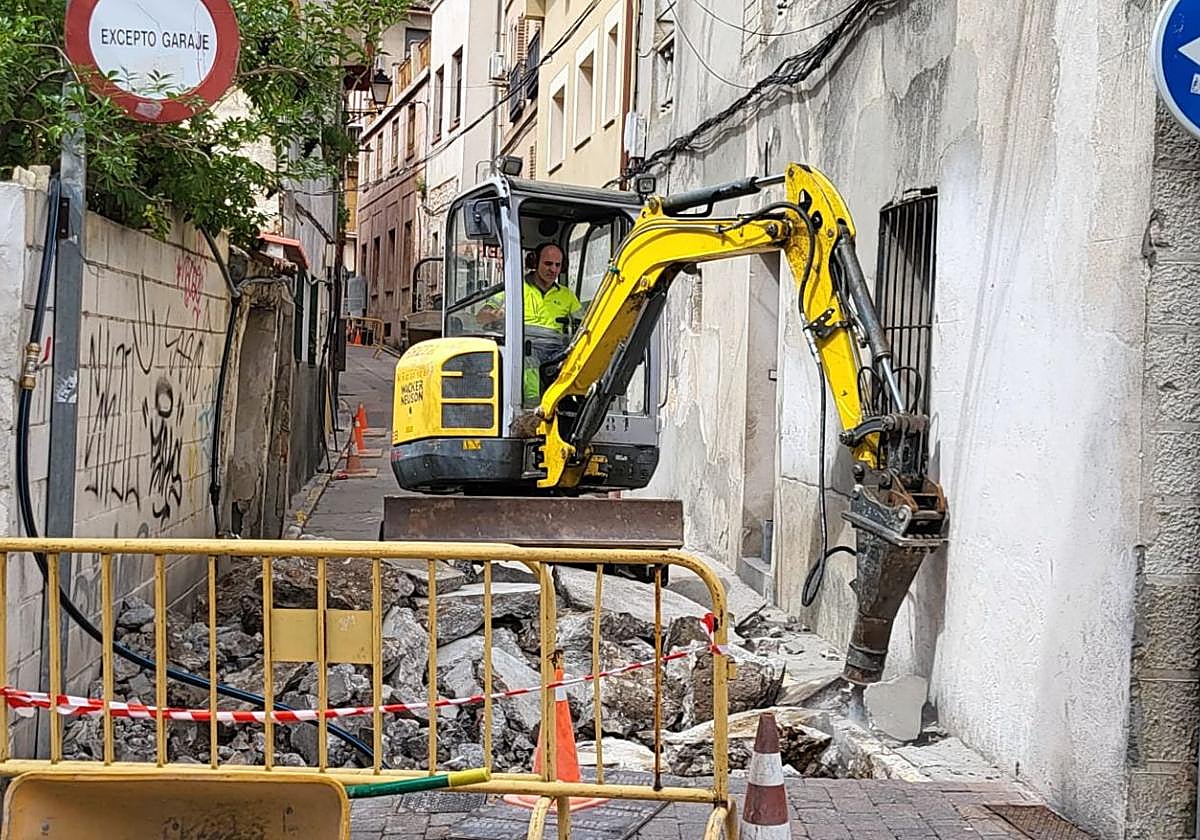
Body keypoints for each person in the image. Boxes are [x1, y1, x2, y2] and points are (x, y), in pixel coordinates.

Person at [477, 242, 583, 403]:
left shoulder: (567, 295)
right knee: (529, 362)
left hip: (556, 350)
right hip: (524, 347)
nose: (553, 270)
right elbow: (481, 317)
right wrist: (495, 314)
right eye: (548, 264)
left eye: (557, 265)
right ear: (534, 263)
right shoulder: (515, 289)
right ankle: (530, 408)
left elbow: (583, 323)